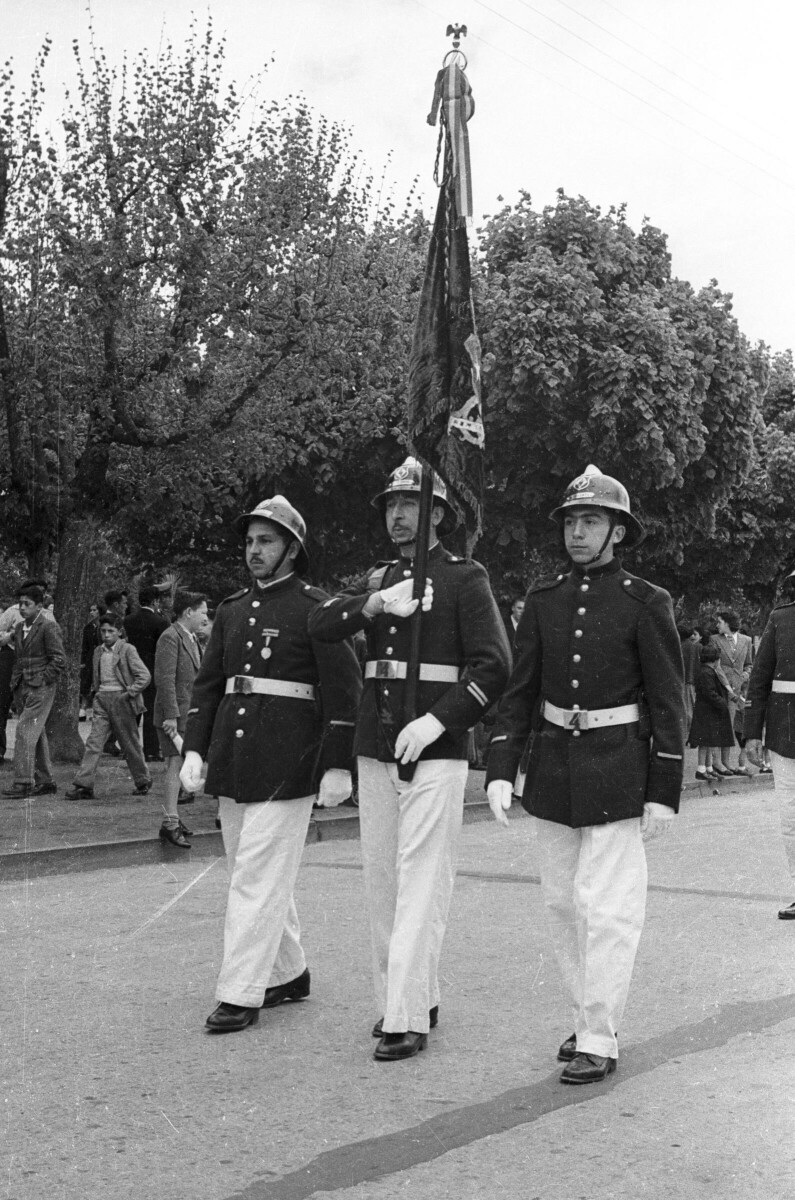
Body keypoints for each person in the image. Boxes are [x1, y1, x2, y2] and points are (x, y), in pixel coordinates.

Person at [486, 465, 685, 1085]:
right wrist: (501, 766)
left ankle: (599, 1033)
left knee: (609, 908)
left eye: (591, 521)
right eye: (571, 522)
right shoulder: (543, 604)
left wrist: (665, 788)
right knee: (562, 905)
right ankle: (585, 1016)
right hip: (553, 768)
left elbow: (668, 699)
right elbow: (520, 692)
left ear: (617, 533)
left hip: (618, 764)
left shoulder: (645, 603)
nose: (578, 532)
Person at [308, 457, 511, 1062]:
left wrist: (439, 720)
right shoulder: (378, 579)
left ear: (439, 514)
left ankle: (405, 1014)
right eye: (390, 507)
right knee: (383, 882)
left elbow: (493, 665)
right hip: (376, 741)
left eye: (410, 506)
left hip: (435, 746)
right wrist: (372, 604)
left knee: (422, 879)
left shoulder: (464, 578)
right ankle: (406, 996)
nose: (397, 516)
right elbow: (320, 623)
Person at [179, 496, 362, 1034]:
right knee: (247, 871)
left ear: (291, 549)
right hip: (236, 761)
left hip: (291, 760)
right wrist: (195, 747)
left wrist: (337, 764)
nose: (254, 551)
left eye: (266, 541)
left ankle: (240, 991)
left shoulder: (314, 607)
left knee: (255, 877)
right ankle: (289, 972)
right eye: (250, 541)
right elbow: (209, 685)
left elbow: (344, 691)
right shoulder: (233, 610)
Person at [744, 597, 795, 919]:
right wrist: (752, 733)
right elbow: (759, 680)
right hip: (785, 735)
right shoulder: (780, 618)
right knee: (791, 819)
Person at [64, 615, 152, 800]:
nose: (106, 635)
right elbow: (96, 675)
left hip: (122, 699)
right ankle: (83, 785)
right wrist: (96, 694)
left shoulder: (127, 649)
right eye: (103, 631)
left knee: (130, 743)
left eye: (111, 631)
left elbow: (144, 676)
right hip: (102, 699)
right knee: (94, 742)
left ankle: (143, 779)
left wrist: (129, 693)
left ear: (119, 632)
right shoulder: (98, 651)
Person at [152, 590, 208, 847]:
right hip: (173, 716)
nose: (205, 618)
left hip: (186, 714)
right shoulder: (170, 637)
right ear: (189, 612)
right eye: (203, 612)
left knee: (180, 766)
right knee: (175, 766)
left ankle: (173, 817)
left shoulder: (190, 637)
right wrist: (171, 716)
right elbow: (165, 680)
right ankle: (170, 822)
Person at [2, 584, 67, 798]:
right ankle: (46, 780)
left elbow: (58, 659)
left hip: (40, 686)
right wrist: (17, 682)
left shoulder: (48, 626)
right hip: (22, 685)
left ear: (39, 606)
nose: (22, 608)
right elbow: (20, 658)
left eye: (27, 604)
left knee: (24, 730)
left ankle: (24, 782)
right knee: (35, 734)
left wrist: (43, 680)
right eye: (20, 604)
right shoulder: (20, 628)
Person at [124, 586, 170, 761]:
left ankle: (129, 748)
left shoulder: (128, 620)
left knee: (132, 711)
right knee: (150, 711)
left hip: (131, 671)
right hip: (151, 670)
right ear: (155, 601)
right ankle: (150, 750)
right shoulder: (161, 622)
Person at [713, 611, 753, 771]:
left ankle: (726, 761)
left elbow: (749, 664)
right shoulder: (715, 640)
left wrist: (745, 675)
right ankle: (718, 762)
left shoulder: (747, 640)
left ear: (728, 623)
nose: (717, 625)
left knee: (731, 726)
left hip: (738, 690)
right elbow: (716, 665)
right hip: (721, 688)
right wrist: (726, 685)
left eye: (720, 622)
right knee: (720, 724)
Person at [688, 643, 734, 780]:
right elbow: (710, 693)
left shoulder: (705, 671)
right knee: (704, 742)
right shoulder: (707, 673)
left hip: (706, 710)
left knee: (708, 741)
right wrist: (722, 703)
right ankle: (701, 769)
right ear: (715, 659)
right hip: (707, 711)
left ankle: (707, 767)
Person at [79, 602, 103, 718]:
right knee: (86, 683)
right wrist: (83, 661)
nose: (92, 612)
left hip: (101, 658)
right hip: (89, 659)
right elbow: (85, 646)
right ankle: (83, 709)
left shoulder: (103, 626)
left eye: (94, 610)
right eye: (91, 610)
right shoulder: (88, 627)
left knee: (98, 683)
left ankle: (96, 710)